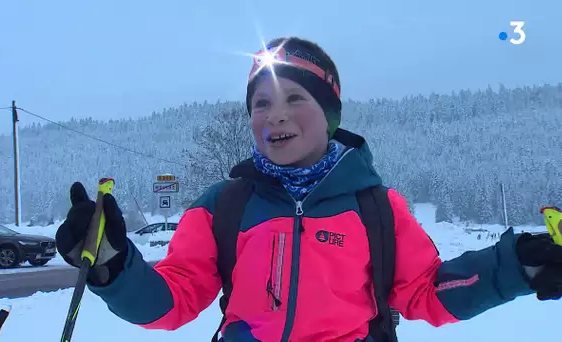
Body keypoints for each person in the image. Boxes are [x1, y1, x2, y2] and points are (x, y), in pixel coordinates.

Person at [55, 36, 562, 342]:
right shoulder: (221, 205)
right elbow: (173, 301)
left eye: (295, 97)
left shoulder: (376, 207)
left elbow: (426, 292)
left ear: (329, 115)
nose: (275, 113)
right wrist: (114, 265)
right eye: (261, 103)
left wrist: (518, 267)